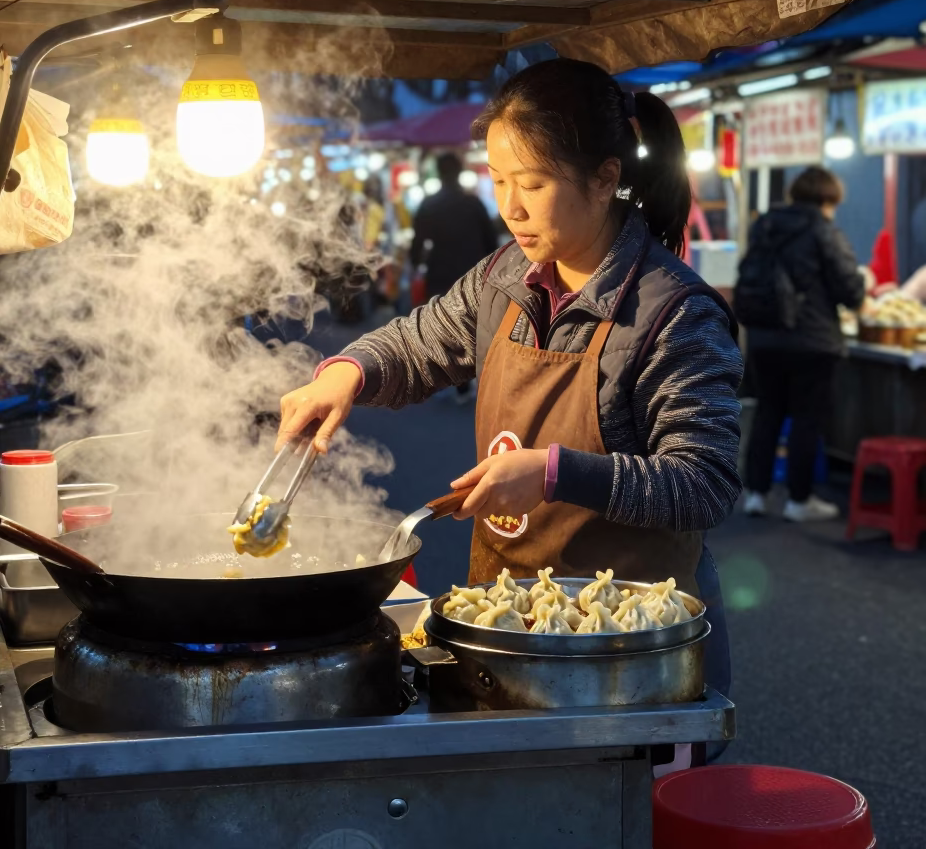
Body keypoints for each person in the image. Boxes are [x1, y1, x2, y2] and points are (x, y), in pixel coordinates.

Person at [277, 59, 741, 718]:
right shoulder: (504, 278)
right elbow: (417, 342)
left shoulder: (674, 313)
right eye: (497, 180)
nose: (511, 207)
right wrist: (345, 374)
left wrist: (554, 473)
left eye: (533, 183)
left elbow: (704, 484)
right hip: (505, 628)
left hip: (628, 651)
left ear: (604, 178)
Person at [740, 167, 864, 522]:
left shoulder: (765, 225)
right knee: (806, 419)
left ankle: (756, 494)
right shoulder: (822, 230)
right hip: (812, 340)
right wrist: (859, 288)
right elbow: (849, 288)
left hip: (763, 337)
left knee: (768, 412)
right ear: (828, 199)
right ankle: (799, 500)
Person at [410, 151, 497, 402]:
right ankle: (472, 379)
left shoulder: (429, 204)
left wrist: (416, 265)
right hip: (473, 272)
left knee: (444, 325)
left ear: (439, 173)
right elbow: (491, 241)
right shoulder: (473, 203)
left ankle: (454, 378)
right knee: (475, 325)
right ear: (459, 172)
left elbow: (418, 242)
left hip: (440, 271)